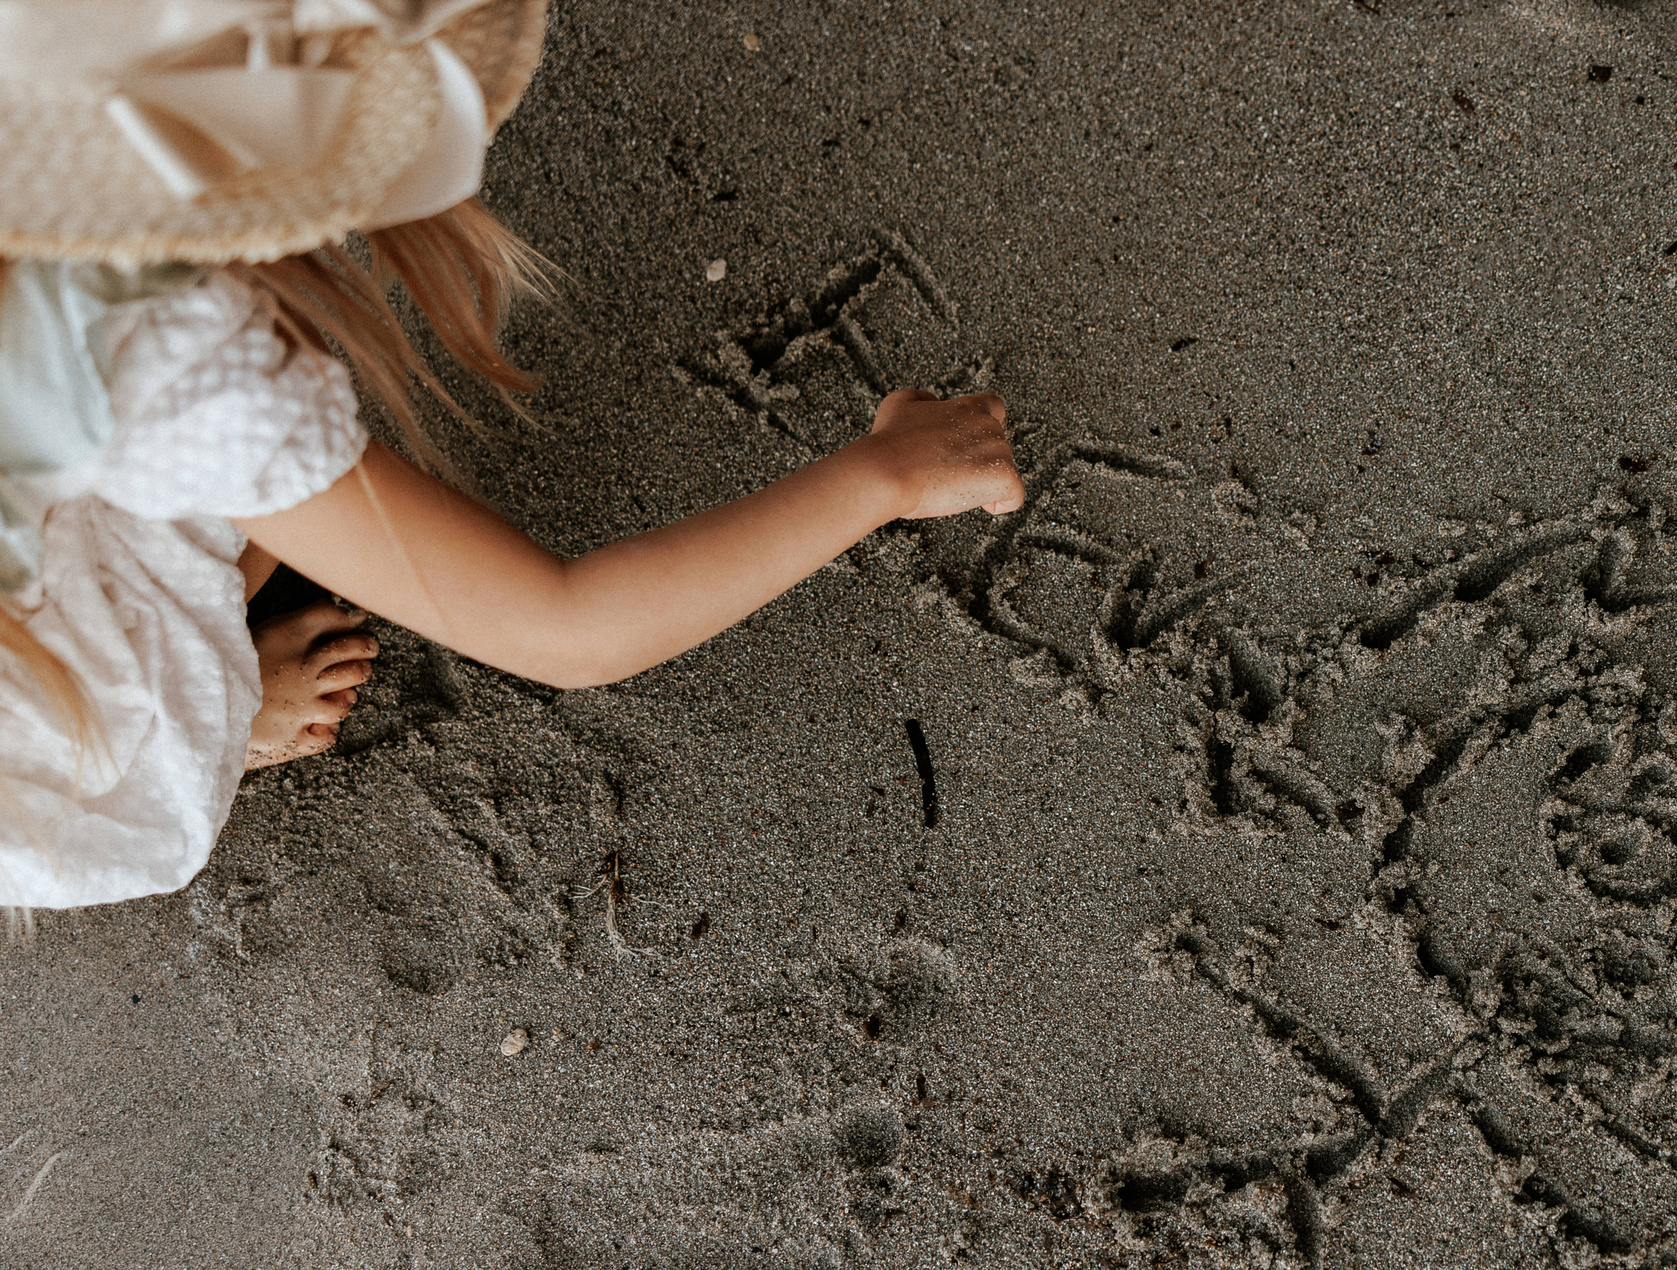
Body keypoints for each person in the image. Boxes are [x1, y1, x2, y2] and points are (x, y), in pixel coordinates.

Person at [0, 0, 1024, 913]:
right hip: (49, 715)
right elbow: (566, 627)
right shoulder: (158, 362)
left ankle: (203, 651)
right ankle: (219, 721)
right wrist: (886, 473)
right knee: (124, 730)